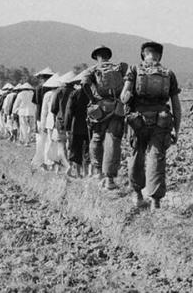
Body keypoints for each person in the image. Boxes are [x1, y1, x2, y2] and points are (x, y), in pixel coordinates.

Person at [121, 41, 182, 209]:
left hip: (137, 121)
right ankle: (155, 201)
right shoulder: (169, 73)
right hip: (161, 121)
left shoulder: (134, 70)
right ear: (159, 56)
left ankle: (138, 195)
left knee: (136, 156)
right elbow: (176, 105)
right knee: (156, 158)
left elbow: (123, 96)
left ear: (143, 54)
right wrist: (177, 129)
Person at [81, 45, 127, 190]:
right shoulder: (119, 68)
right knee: (113, 141)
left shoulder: (93, 69)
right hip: (117, 108)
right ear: (108, 55)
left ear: (97, 57)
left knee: (96, 138)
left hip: (99, 109)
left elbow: (84, 84)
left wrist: (92, 100)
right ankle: (110, 180)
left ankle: (97, 172)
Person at [65, 70, 91, 177]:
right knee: (89, 149)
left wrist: (67, 127)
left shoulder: (75, 94)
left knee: (76, 149)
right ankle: (88, 172)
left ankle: (78, 173)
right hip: (90, 126)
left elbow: (69, 111)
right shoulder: (93, 94)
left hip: (76, 126)